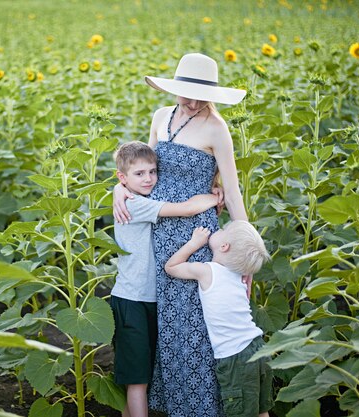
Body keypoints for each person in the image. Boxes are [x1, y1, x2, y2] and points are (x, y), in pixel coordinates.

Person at [113, 53, 250, 416]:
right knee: (167, 326)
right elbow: (141, 168)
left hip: (198, 234)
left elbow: (233, 192)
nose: (191, 102)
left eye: (199, 96)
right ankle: (172, 405)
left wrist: (246, 245)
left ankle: (203, 408)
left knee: (197, 323)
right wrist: (119, 190)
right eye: (185, 93)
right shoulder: (161, 117)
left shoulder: (217, 129)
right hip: (158, 231)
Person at [111, 141, 221, 417]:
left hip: (151, 298)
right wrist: (215, 198)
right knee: (137, 380)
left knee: (143, 373)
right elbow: (185, 209)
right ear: (122, 178)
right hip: (132, 300)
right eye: (139, 174)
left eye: (152, 171)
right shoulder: (134, 204)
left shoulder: (138, 197)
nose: (148, 178)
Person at [164, 221, 272, 417]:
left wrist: (194, 243)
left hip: (236, 357)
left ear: (224, 246)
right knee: (261, 411)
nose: (217, 229)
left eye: (223, 230)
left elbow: (170, 266)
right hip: (258, 348)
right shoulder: (239, 276)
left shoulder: (207, 271)